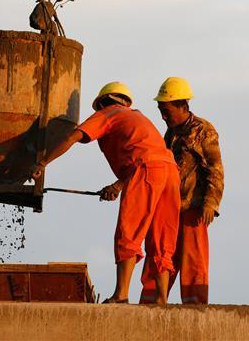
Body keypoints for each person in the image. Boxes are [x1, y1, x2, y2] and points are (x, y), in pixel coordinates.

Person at [31, 82, 180, 304]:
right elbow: (147, 159)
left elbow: (72, 137)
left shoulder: (108, 113)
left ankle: (121, 295)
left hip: (147, 170)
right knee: (162, 237)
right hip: (171, 172)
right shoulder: (137, 118)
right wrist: (117, 186)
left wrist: (42, 163)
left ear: (103, 102)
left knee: (128, 233)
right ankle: (161, 299)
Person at [100, 76, 224, 304]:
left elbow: (215, 169)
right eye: (160, 110)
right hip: (167, 206)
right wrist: (118, 186)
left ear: (182, 105)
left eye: (166, 110)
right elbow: (144, 164)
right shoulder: (168, 135)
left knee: (193, 262)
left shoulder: (204, 131)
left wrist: (210, 203)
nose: (163, 116)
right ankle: (151, 306)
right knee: (158, 256)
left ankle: (195, 309)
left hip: (193, 209)